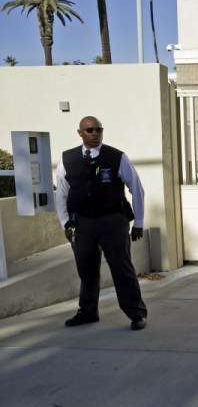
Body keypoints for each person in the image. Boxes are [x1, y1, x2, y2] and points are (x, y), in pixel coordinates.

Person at [55, 116, 148, 330]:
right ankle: (88, 311)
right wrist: (65, 224)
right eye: (90, 130)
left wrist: (139, 222)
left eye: (99, 130)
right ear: (80, 132)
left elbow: (137, 189)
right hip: (82, 223)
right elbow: (61, 194)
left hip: (112, 220)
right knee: (86, 270)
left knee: (122, 268)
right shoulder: (66, 159)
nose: (95, 133)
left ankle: (136, 313)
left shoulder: (116, 157)